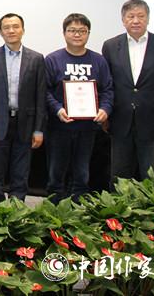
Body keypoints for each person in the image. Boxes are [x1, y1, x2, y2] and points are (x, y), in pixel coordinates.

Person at [102, 0, 154, 182]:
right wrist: (105, 115)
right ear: (123, 20)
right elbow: (107, 84)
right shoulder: (111, 46)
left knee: (152, 174)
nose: (136, 21)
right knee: (119, 174)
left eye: (141, 16)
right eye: (131, 16)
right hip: (120, 119)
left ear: (148, 18)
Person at [44, 13, 113, 203]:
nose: (77, 34)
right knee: (56, 174)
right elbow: (45, 91)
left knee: (82, 174)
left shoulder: (98, 60)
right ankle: (54, 211)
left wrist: (105, 109)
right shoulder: (53, 59)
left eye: (82, 31)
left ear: (88, 33)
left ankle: (79, 211)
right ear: (64, 33)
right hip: (59, 127)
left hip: (88, 128)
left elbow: (107, 89)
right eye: (72, 30)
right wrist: (58, 109)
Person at [0, 13, 46, 204]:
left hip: (25, 124)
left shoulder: (36, 58)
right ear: (1, 32)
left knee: (20, 174)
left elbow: (40, 96)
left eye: (15, 26)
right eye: (6, 27)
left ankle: (16, 213)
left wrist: (39, 129)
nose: (11, 30)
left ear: (23, 30)